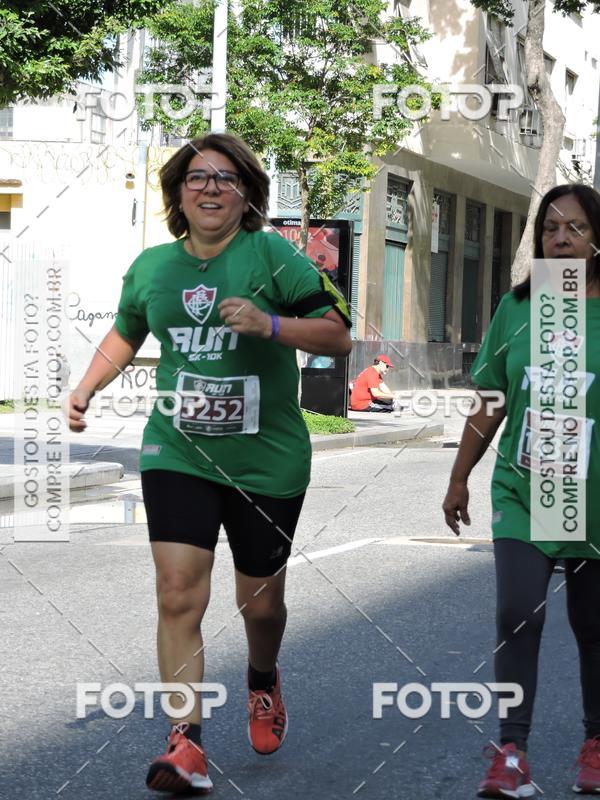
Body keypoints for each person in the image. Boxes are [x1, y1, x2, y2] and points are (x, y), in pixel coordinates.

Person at [67, 132, 352, 794]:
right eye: (197, 178)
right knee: (176, 593)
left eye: (226, 179)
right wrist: (86, 387)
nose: (211, 189)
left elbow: (338, 333)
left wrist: (271, 326)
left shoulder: (273, 257)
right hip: (179, 450)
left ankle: (261, 678)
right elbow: (127, 331)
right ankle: (186, 744)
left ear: (247, 193)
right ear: (177, 193)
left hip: (266, 459)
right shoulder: (153, 268)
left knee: (259, 605)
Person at [442, 184, 600, 798]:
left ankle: (595, 744)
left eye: (576, 228)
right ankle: (512, 752)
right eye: (551, 229)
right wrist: (459, 477)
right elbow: (491, 399)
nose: (561, 239)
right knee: (516, 613)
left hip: (592, 495)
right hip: (524, 488)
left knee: (593, 625)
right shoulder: (517, 308)